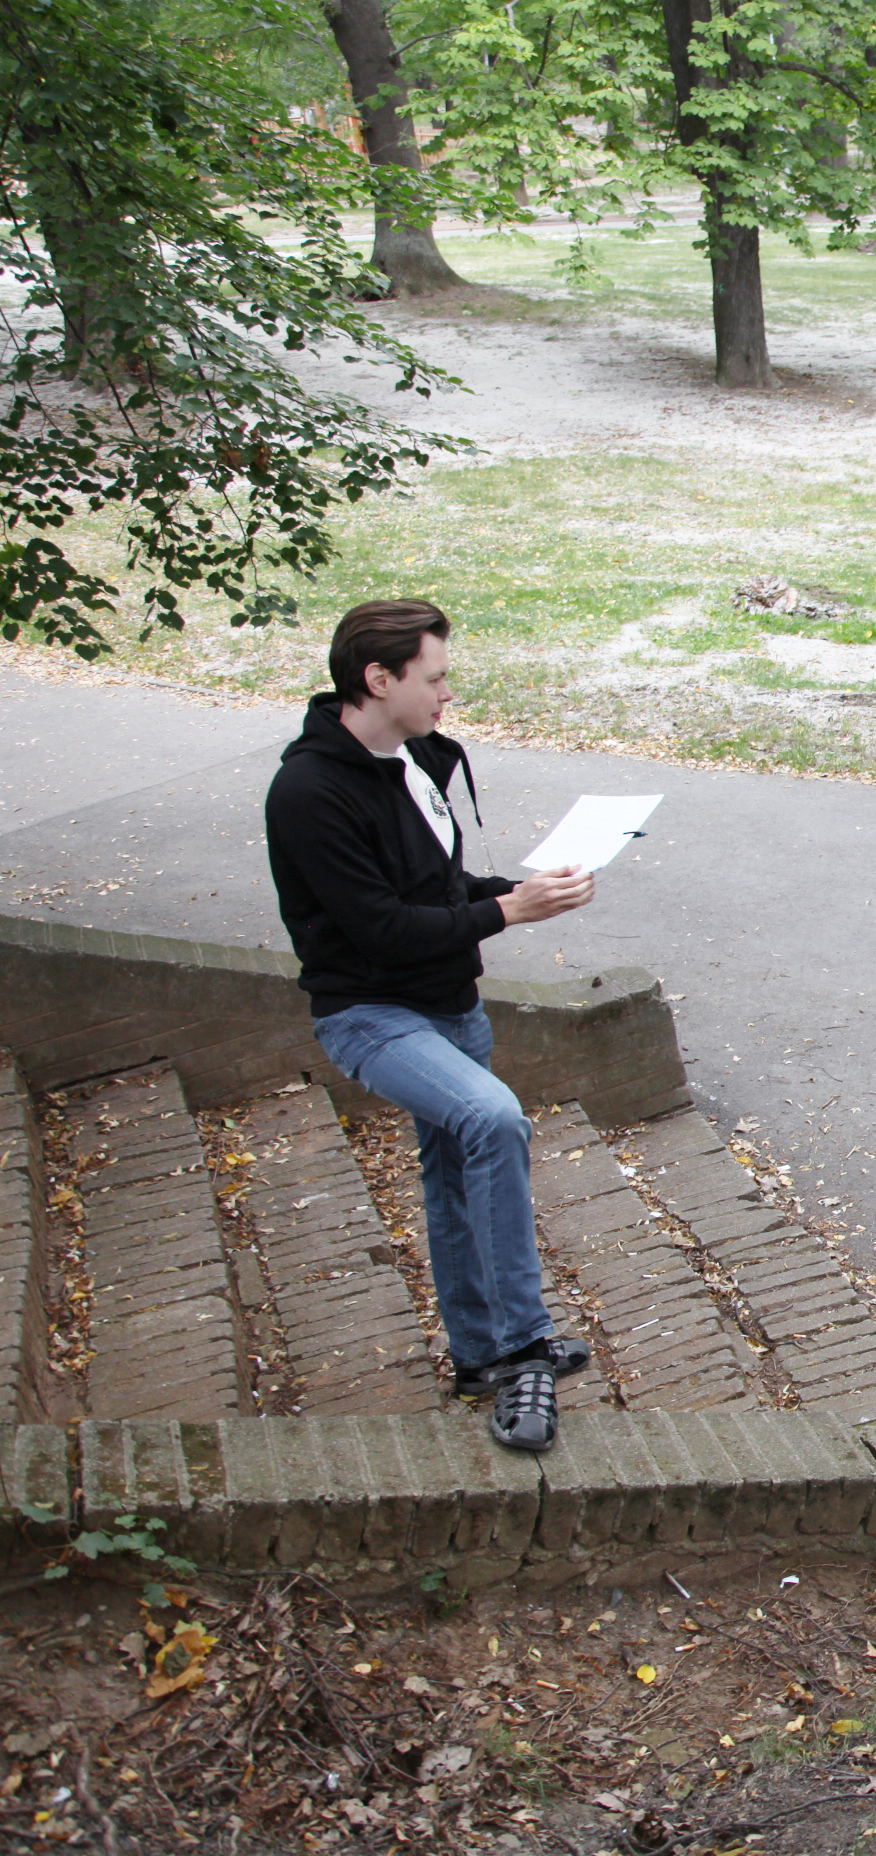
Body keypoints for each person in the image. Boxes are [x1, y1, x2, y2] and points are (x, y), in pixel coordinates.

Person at [262, 600, 595, 1454]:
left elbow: (432, 894)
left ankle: (480, 1353)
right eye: (436, 677)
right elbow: (378, 929)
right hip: (370, 1015)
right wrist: (511, 912)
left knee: (454, 1172)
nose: (448, 694)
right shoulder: (309, 791)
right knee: (491, 1120)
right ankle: (522, 1351)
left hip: (451, 1005)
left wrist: (516, 892)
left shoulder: (410, 760)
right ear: (381, 679)